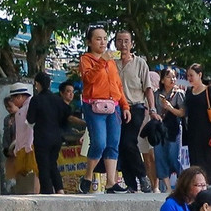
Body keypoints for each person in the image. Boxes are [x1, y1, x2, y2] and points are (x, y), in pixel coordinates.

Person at [78, 26, 129, 193]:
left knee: (113, 144)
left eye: (105, 38)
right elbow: (88, 79)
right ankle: (88, 176)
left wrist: (125, 105)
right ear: (89, 42)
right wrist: (102, 61)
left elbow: (117, 85)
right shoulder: (86, 59)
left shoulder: (111, 61)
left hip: (113, 106)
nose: (103, 42)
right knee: (99, 143)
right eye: (98, 39)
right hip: (94, 106)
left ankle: (111, 182)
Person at [112, 29, 152, 192]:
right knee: (120, 145)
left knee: (129, 142)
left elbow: (148, 88)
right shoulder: (111, 62)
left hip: (135, 107)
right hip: (115, 108)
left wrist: (153, 108)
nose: (123, 44)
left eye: (126, 41)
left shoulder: (140, 63)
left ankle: (142, 176)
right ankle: (130, 183)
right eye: (119, 41)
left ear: (132, 44)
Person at [27, 75, 81, 196]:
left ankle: (47, 191)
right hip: (57, 137)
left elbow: (30, 119)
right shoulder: (57, 100)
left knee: (43, 166)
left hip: (42, 137)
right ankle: (59, 189)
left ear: (37, 84)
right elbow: (67, 114)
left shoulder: (36, 99)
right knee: (53, 163)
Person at [183, 63, 211, 185]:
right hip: (193, 129)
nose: (189, 78)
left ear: (200, 75)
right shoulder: (188, 92)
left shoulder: (209, 90)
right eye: (188, 76)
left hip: (207, 129)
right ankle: (199, 183)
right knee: (195, 157)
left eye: (191, 75)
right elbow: (185, 111)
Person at [154, 67, 185, 191]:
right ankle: (167, 187)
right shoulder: (157, 94)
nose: (172, 79)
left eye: (174, 77)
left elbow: (182, 113)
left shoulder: (179, 93)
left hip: (174, 129)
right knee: (160, 156)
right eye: (168, 77)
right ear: (162, 80)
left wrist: (170, 108)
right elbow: (154, 109)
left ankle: (182, 181)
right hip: (160, 128)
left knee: (173, 157)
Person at [2, 82, 37, 192]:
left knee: (33, 173)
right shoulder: (25, 108)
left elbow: (30, 128)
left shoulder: (27, 108)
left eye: (13, 99)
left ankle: (35, 194)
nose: (13, 102)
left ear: (20, 97)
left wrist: (28, 146)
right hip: (24, 147)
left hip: (28, 147)